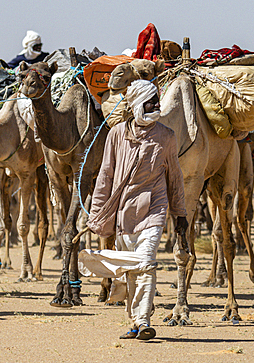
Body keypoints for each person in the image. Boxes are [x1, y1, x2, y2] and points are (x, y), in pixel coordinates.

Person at [79, 79, 187, 341]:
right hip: (124, 212)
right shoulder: (116, 134)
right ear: (137, 104)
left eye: (156, 101)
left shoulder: (166, 136)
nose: (155, 106)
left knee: (147, 263)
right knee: (131, 271)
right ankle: (134, 322)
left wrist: (180, 214)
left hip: (154, 208)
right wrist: (96, 216)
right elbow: (105, 177)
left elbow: (175, 177)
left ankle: (144, 320)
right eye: (150, 102)